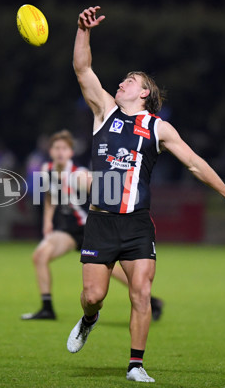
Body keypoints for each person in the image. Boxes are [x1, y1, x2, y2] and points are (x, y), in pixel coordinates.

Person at [66, 7, 225, 383]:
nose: (122, 83)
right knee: (93, 295)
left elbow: (195, 163)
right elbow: (83, 70)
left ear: (144, 92)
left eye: (129, 80)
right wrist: (82, 31)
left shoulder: (157, 128)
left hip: (136, 224)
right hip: (100, 222)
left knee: (142, 291)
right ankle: (89, 318)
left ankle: (136, 365)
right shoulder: (105, 111)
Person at [22, 131, 165, 321]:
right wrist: (48, 221)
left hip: (89, 229)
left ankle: (151, 300)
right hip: (68, 232)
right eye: (56, 148)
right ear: (50, 151)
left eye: (64, 148)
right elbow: (50, 195)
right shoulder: (47, 169)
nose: (60, 152)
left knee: (114, 272)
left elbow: (104, 192)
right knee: (40, 256)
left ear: (71, 153)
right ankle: (47, 308)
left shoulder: (79, 174)